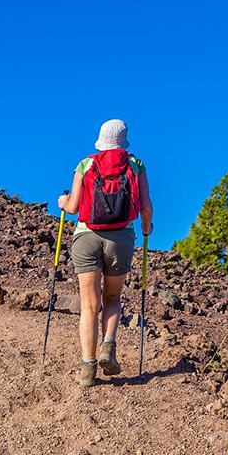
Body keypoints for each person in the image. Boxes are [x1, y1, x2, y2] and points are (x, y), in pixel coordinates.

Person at [55, 119, 153, 387]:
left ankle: (87, 370)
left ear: (101, 140)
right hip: (120, 238)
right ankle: (108, 346)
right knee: (112, 297)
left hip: (87, 237)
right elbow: (146, 207)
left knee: (89, 304)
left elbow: (73, 207)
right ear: (124, 140)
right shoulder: (135, 165)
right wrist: (146, 229)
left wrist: (63, 202)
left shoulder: (86, 164)